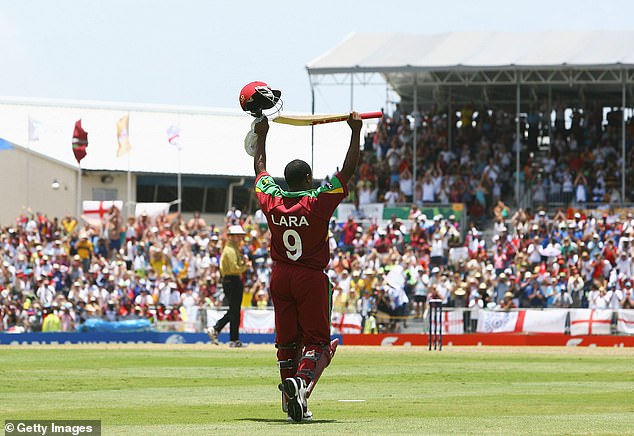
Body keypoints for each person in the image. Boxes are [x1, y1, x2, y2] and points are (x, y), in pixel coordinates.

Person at [252, 112, 362, 422]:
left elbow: (260, 169)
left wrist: (262, 134)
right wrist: (355, 132)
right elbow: (348, 172)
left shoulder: (271, 200)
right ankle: (300, 384)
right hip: (310, 277)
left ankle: (290, 401)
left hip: (280, 276)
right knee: (317, 342)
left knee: (287, 342)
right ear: (309, 179)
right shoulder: (316, 201)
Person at [206, 225, 249, 347]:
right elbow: (234, 268)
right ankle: (228, 336)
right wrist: (245, 266)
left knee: (234, 310)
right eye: (238, 236)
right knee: (234, 310)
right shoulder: (230, 250)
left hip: (231, 280)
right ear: (231, 237)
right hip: (232, 280)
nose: (240, 238)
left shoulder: (233, 249)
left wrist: (243, 263)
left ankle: (221, 332)